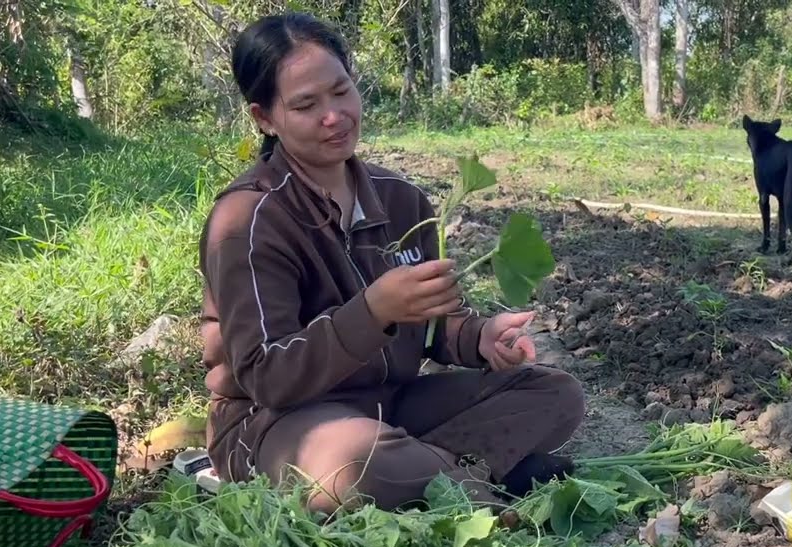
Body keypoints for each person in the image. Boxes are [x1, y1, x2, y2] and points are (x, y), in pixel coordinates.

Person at [197, 12, 586, 515]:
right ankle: (478, 482)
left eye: (341, 91)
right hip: (275, 423)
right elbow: (267, 377)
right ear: (265, 118)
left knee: (555, 395)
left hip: (390, 401)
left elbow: (434, 325)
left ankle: (437, 476)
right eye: (307, 105)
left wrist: (479, 337)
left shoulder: (400, 198)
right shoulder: (248, 220)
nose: (334, 115)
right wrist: (372, 312)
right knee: (358, 464)